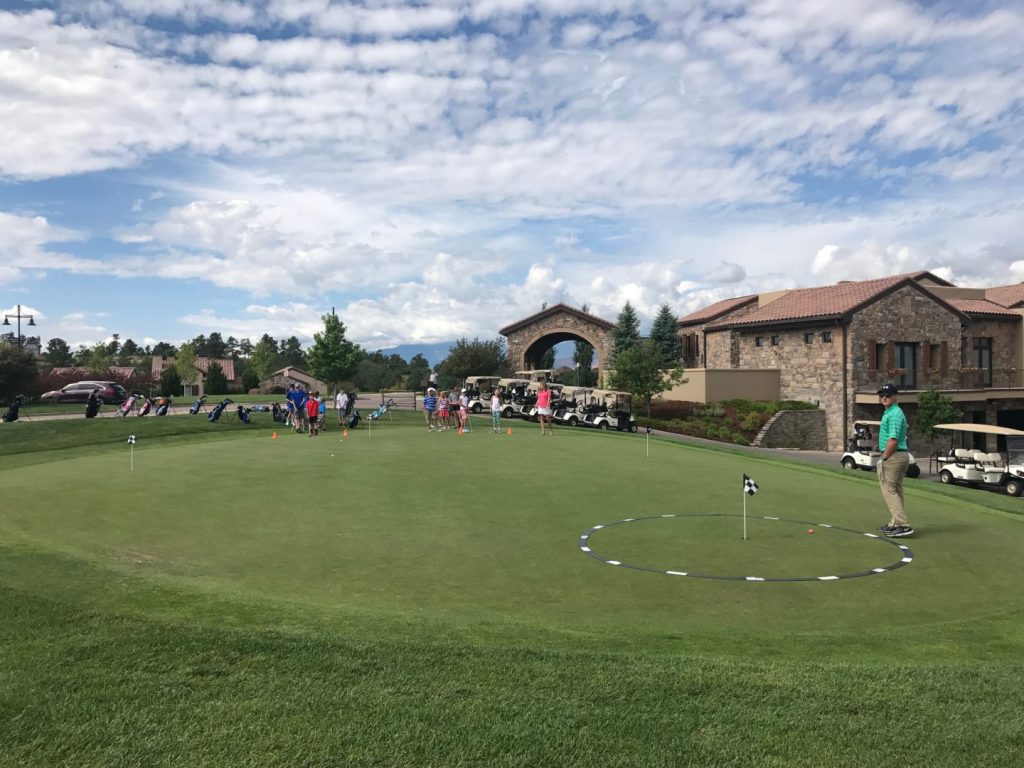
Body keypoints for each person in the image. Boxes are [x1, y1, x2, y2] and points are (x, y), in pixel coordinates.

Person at [876, 383, 913, 537]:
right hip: (898, 455)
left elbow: (893, 439)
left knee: (889, 490)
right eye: (882, 395)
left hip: (894, 455)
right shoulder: (890, 412)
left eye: (888, 395)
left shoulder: (895, 414)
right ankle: (895, 523)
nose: (884, 398)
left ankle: (903, 524)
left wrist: (884, 457)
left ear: (895, 397)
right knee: (896, 490)